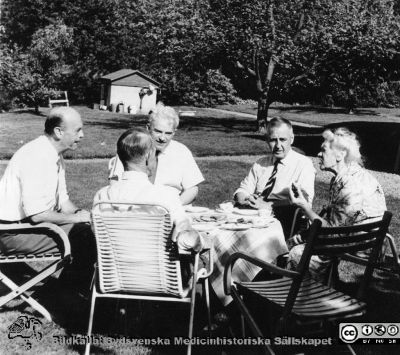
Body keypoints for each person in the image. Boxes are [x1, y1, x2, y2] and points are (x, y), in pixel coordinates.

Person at [0, 107, 94, 288]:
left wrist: (82, 213)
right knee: (87, 237)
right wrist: (77, 219)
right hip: (10, 234)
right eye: (77, 130)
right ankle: (69, 294)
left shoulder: (53, 154)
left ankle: (65, 290)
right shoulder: (37, 156)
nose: (82, 135)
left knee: (89, 228)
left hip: (22, 228)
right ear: (58, 132)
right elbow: (38, 215)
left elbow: (64, 201)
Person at [287, 127, 387, 280]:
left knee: (297, 252)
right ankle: (323, 287)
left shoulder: (349, 185)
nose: (319, 154)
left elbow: (333, 233)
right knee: (299, 239)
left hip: (360, 246)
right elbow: (336, 225)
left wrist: (305, 208)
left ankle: (303, 296)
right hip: (363, 240)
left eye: (323, 150)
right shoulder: (349, 175)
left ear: (341, 154)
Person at [95, 128, 203, 253]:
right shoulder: (165, 196)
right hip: (158, 271)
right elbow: (188, 240)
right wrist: (200, 239)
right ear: (148, 156)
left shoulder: (102, 196)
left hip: (113, 270)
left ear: (119, 156)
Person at [108, 103, 204, 205]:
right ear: (148, 128)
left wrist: (174, 207)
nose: (162, 138)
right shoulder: (132, 147)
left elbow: (192, 188)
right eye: (158, 131)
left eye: (168, 133)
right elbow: (115, 181)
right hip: (134, 206)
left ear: (174, 132)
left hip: (171, 206)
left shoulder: (181, 152)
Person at [234, 117, 315, 237]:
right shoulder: (260, 164)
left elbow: (305, 200)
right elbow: (243, 189)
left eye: (282, 140)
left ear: (291, 139)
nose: (278, 145)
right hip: (254, 219)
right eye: (273, 140)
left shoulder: (303, 164)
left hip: (285, 222)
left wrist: (267, 206)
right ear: (267, 140)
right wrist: (245, 198)